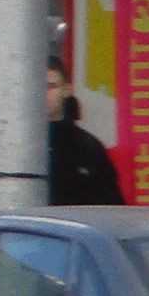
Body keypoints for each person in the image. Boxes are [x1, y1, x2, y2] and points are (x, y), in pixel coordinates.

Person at [49, 61, 125, 205]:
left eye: (51, 86)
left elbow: (111, 205)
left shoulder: (87, 147)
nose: (43, 93)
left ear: (67, 90)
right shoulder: (12, 145)